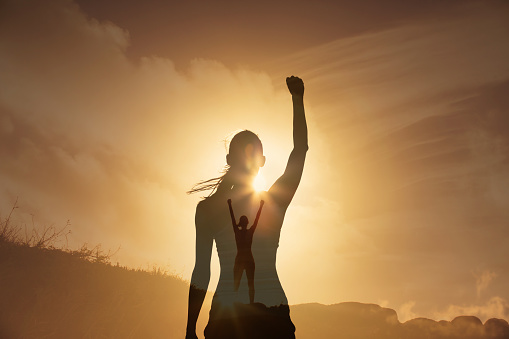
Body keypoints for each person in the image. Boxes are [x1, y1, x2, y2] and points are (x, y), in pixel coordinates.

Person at [186, 76, 308, 339]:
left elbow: (201, 272)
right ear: (262, 161)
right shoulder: (274, 201)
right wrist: (297, 100)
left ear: (229, 159)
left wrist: (189, 330)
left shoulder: (207, 209)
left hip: (226, 317)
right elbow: (300, 151)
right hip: (271, 316)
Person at [228, 198, 264, 304]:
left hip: (240, 259)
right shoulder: (249, 232)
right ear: (247, 223)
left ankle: (235, 302)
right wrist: (261, 206)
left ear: (241, 223)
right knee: (250, 284)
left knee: (236, 284)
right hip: (248, 259)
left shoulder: (237, 232)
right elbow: (257, 220)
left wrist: (229, 205)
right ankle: (251, 303)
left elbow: (232, 218)